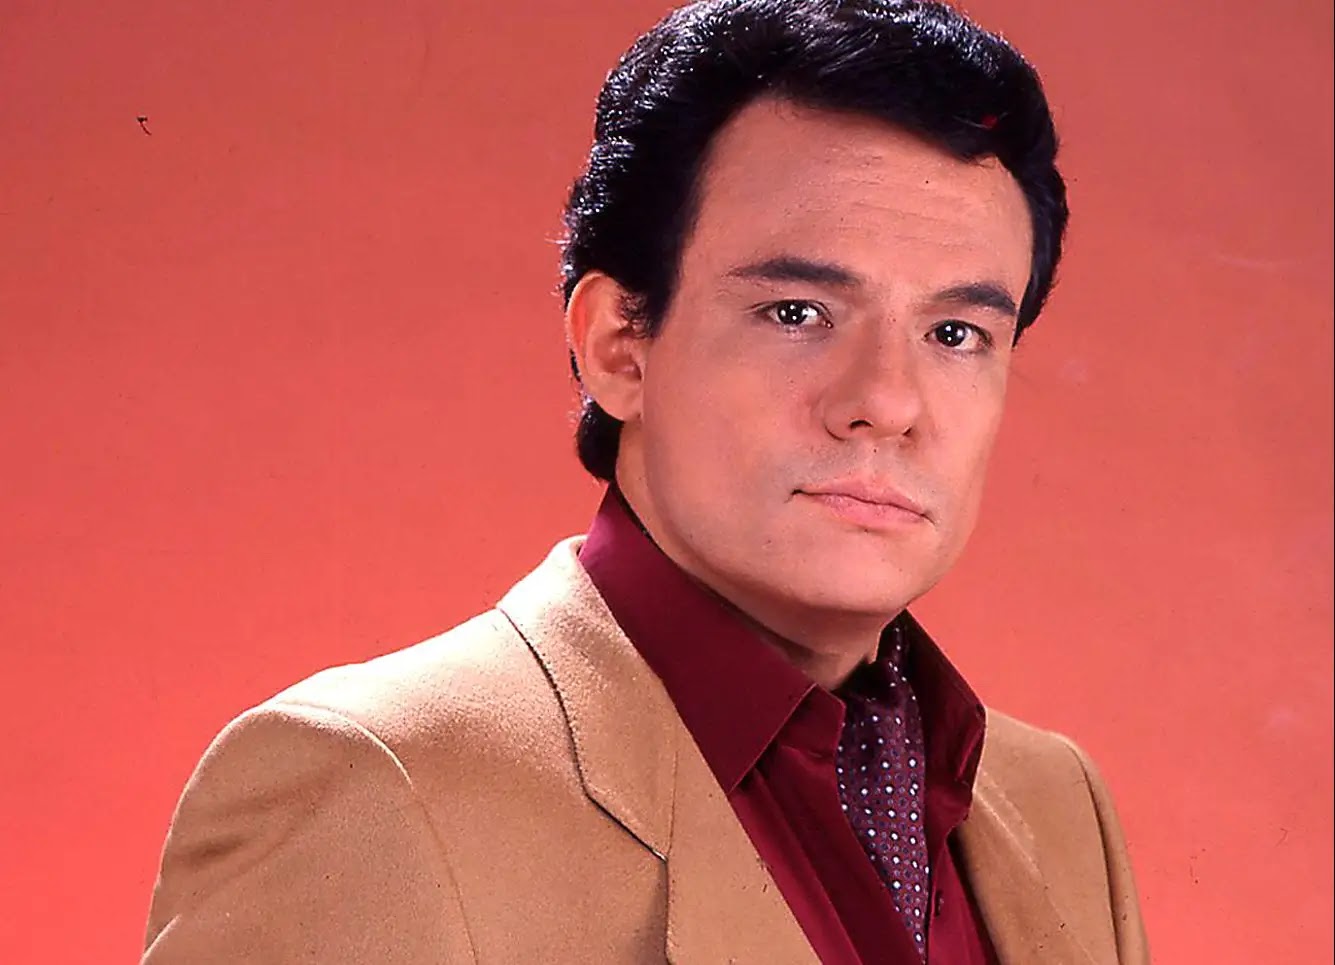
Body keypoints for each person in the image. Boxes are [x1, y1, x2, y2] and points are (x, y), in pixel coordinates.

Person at [143, 1, 1150, 962]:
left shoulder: (1057, 802)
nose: (887, 402)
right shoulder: (374, 785)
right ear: (617, 344)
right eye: (797, 312)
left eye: (956, 333)